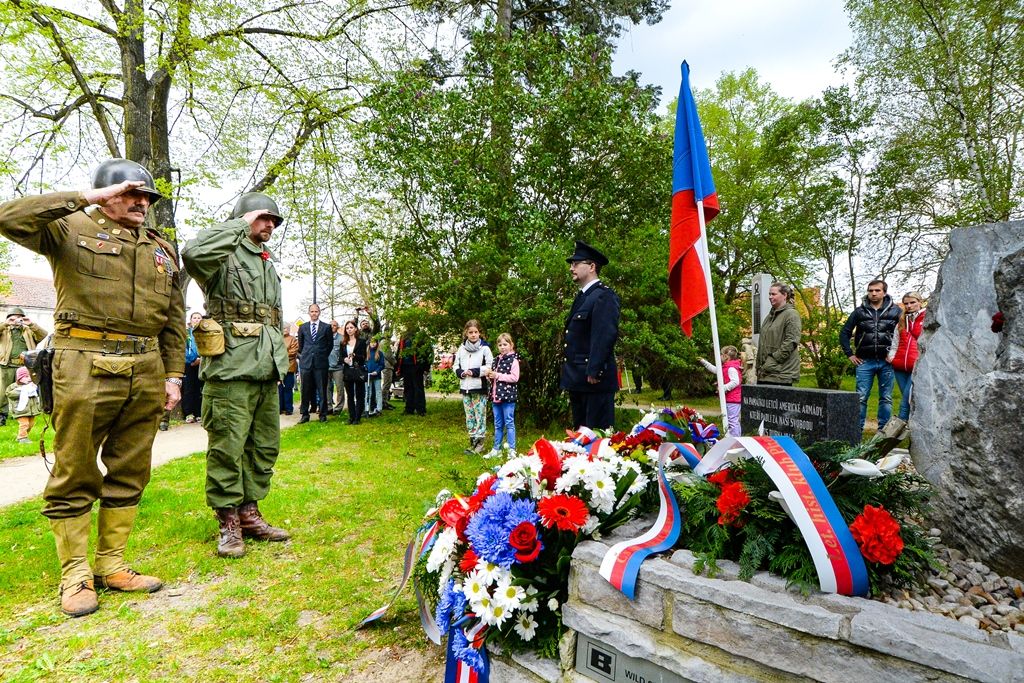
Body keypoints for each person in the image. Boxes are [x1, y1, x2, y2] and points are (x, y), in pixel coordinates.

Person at [0, 158, 185, 617]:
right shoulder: (67, 227)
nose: (142, 202)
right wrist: (86, 198)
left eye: (147, 196)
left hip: (145, 364)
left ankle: (112, 565)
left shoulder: (162, 247)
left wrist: (173, 374)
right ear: (107, 193)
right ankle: (75, 575)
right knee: (76, 467)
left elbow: (174, 319)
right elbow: (7, 217)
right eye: (131, 193)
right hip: (83, 361)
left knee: (131, 466)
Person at [183, 191, 291, 559]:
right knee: (227, 447)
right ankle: (228, 519)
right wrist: (239, 224)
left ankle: (249, 513)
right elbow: (193, 253)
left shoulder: (266, 262)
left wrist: (278, 362)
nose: (270, 225)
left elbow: (269, 318)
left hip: (265, 367)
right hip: (230, 368)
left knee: (263, 446)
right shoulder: (222, 255)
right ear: (245, 218)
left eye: (274, 221)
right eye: (264, 218)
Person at [561, 240, 620, 430]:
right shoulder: (582, 297)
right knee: (580, 438)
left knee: (597, 440)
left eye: (576, 264)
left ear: (592, 266)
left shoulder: (603, 296)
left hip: (594, 381)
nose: (572, 268)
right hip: (578, 379)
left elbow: (604, 336)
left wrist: (595, 369)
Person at [840, 279, 902, 432]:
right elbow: (845, 332)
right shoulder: (859, 311)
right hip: (864, 362)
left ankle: (883, 433)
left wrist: (895, 355)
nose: (873, 293)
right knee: (860, 398)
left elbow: (904, 335)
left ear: (884, 292)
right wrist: (849, 354)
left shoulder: (896, 311)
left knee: (886, 399)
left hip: (887, 362)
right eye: (870, 290)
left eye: (877, 290)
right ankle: (856, 431)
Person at [0, 307, 47, 427]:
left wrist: (31, 324)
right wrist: (6, 323)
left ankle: (24, 415)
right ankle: (2, 416)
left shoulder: (28, 331)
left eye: (19, 317)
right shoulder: (4, 329)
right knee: (2, 392)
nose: (16, 320)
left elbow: (43, 334)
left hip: (25, 367)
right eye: (13, 318)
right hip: (6, 365)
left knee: (25, 391)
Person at [455, 319, 493, 454]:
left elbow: (489, 367)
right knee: (469, 415)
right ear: (466, 333)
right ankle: (472, 441)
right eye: (470, 332)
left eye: (475, 332)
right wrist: (461, 373)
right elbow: (456, 365)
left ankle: (480, 443)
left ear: (479, 333)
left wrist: (475, 372)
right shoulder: (461, 349)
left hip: (479, 387)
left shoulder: (485, 349)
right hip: (465, 387)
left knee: (479, 415)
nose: (473, 335)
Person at [889, 292, 926, 423]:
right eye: (906, 303)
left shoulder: (926, 318)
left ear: (919, 302)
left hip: (916, 366)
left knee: (905, 401)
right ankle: (911, 432)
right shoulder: (901, 320)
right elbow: (895, 341)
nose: (909, 306)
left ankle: (895, 433)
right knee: (911, 400)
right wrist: (892, 357)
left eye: (912, 302)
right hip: (899, 366)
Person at [755, 282, 802, 386]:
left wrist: (772, 361)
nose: (770, 297)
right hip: (765, 374)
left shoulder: (791, 314)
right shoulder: (769, 317)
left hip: (780, 374)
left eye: (773, 294)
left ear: (784, 295)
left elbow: (791, 341)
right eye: (769, 294)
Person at [485, 332, 520, 457]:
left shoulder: (514, 360)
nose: (502, 347)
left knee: (509, 422)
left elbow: (515, 378)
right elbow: (494, 379)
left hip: (508, 397)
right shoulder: (496, 360)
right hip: (496, 397)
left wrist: (498, 375)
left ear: (511, 345)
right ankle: (496, 449)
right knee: (498, 423)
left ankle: (511, 449)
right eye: (500, 345)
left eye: (505, 344)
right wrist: (490, 376)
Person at [297, 304, 332, 423]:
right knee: (305, 390)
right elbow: (300, 346)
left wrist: (321, 355)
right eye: (312, 311)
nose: (314, 313)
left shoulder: (326, 327)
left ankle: (322, 414)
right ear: (309, 313)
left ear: (319, 312)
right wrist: (307, 355)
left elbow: (329, 345)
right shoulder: (303, 327)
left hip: (321, 363)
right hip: (306, 363)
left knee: (322, 390)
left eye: (316, 311)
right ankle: (305, 414)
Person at [700, 346, 743, 437]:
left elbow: (736, 381)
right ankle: (733, 437)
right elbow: (715, 370)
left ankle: (735, 440)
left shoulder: (731, 368)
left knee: (732, 421)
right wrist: (704, 362)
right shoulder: (725, 367)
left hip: (733, 399)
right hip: (729, 398)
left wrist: (724, 387)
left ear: (726, 356)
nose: (719, 356)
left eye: (721, 354)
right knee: (730, 420)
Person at [340, 319, 367, 424]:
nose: (349, 330)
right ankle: (351, 417)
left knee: (359, 394)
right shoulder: (343, 343)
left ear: (355, 329)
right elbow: (340, 357)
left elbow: (364, 357)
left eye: (351, 327)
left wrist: (355, 356)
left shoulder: (361, 342)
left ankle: (357, 417)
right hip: (348, 371)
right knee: (350, 395)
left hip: (358, 370)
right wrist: (344, 360)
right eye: (347, 328)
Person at [6, 366, 41, 444]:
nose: (28, 378)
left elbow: (37, 394)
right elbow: (9, 394)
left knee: (30, 425)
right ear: (20, 378)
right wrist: (22, 391)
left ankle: (23, 436)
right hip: (21, 410)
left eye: (29, 376)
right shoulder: (14, 386)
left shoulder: (32, 386)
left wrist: (33, 390)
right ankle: (22, 437)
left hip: (31, 410)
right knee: (24, 424)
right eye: (26, 377)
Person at [398, 332, 428, 416]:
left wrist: (425, 367)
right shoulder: (403, 336)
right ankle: (409, 409)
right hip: (405, 366)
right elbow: (399, 351)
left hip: (416, 366)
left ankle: (421, 409)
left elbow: (425, 352)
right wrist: (398, 367)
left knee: (418, 388)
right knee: (408, 388)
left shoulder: (420, 335)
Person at [182, 311, 204, 424]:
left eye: (199, 318)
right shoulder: (186, 333)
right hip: (189, 364)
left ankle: (199, 413)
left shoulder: (204, 332)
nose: (196, 319)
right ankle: (188, 413)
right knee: (189, 389)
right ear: (190, 320)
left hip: (202, 364)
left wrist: (200, 359)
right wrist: (191, 360)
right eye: (194, 318)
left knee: (200, 389)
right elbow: (183, 348)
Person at [327, 319, 346, 416]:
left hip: (338, 368)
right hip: (326, 367)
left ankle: (338, 408)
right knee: (327, 388)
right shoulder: (324, 337)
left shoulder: (342, 338)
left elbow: (344, 352)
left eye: (334, 325)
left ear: (337, 327)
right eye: (330, 325)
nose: (332, 327)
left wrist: (341, 361)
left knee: (339, 388)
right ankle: (328, 407)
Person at [279, 323, 298, 415]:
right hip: (278, 367)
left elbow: (293, 352)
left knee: (288, 388)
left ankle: (288, 408)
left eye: (286, 328)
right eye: (283, 328)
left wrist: (281, 356)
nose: (285, 329)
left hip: (289, 367)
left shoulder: (293, 339)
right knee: (279, 388)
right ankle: (280, 408)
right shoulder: (278, 338)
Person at [365, 338, 385, 417]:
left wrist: (376, 371)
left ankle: (379, 409)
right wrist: (366, 370)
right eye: (371, 342)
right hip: (368, 375)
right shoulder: (366, 353)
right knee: (368, 392)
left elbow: (382, 365)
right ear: (369, 343)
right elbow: (364, 364)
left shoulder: (380, 353)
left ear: (377, 343)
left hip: (376, 376)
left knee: (378, 392)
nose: (373, 344)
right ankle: (367, 408)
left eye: (374, 342)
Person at [380, 338, 397, 410]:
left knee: (387, 384)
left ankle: (385, 401)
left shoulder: (384, 341)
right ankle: (383, 402)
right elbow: (388, 355)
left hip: (386, 365)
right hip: (387, 366)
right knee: (386, 384)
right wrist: (395, 362)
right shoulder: (384, 342)